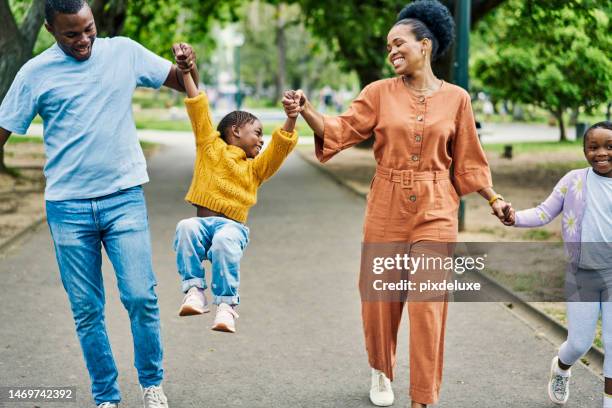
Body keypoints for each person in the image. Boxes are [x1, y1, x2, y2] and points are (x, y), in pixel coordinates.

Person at [283, 1, 511, 407]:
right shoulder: (378, 93)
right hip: (386, 202)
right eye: (388, 46)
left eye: (399, 43)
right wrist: (306, 111)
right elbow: (341, 130)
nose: (391, 52)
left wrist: (493, 199)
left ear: (425, 45)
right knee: (379, 298)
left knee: (428, 304)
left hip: (437, 205)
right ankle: (381, 368)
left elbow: (470, 159)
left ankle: (423, 397)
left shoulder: (457, 98)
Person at [0, 1, 200, 406]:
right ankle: (106, 396)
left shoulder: (123, 52)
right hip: (67, 208)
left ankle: (151, 383)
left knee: (140, 296)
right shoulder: (34, 74)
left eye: (88, 29)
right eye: (71, 34)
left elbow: (184, 83)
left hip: (123, 198)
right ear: (49, 30)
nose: (84, 40)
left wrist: (189, 65)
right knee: (87, 309)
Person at [172, 47, 299, 334]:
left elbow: (279, 149)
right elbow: (197, 106)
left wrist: (291, 117)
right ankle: (194, 291)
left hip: (232, 229)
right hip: (202, 225)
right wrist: (185, 71)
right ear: (235, 131)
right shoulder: (209, 147)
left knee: (224, 241)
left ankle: (226, 306)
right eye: (257, 132)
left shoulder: (256, 169)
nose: (261, 140)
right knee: (185, 227)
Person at [504, 121, 612, 407]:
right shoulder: (574, 180)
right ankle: (562, 367)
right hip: (582, 275)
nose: (601, 153)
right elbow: (543, 212)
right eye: (593, 147)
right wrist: (514, 217)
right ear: (584, 150)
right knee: (579, 344)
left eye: (609, 146)